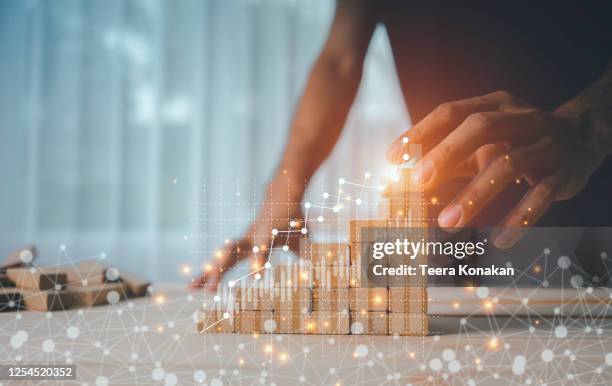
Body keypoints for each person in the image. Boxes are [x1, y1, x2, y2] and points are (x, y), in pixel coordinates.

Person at [195, 0, 612, 291]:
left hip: (588, 184)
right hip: (450, 206)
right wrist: (282, 191)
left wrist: (589, 125)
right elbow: (340, 58)